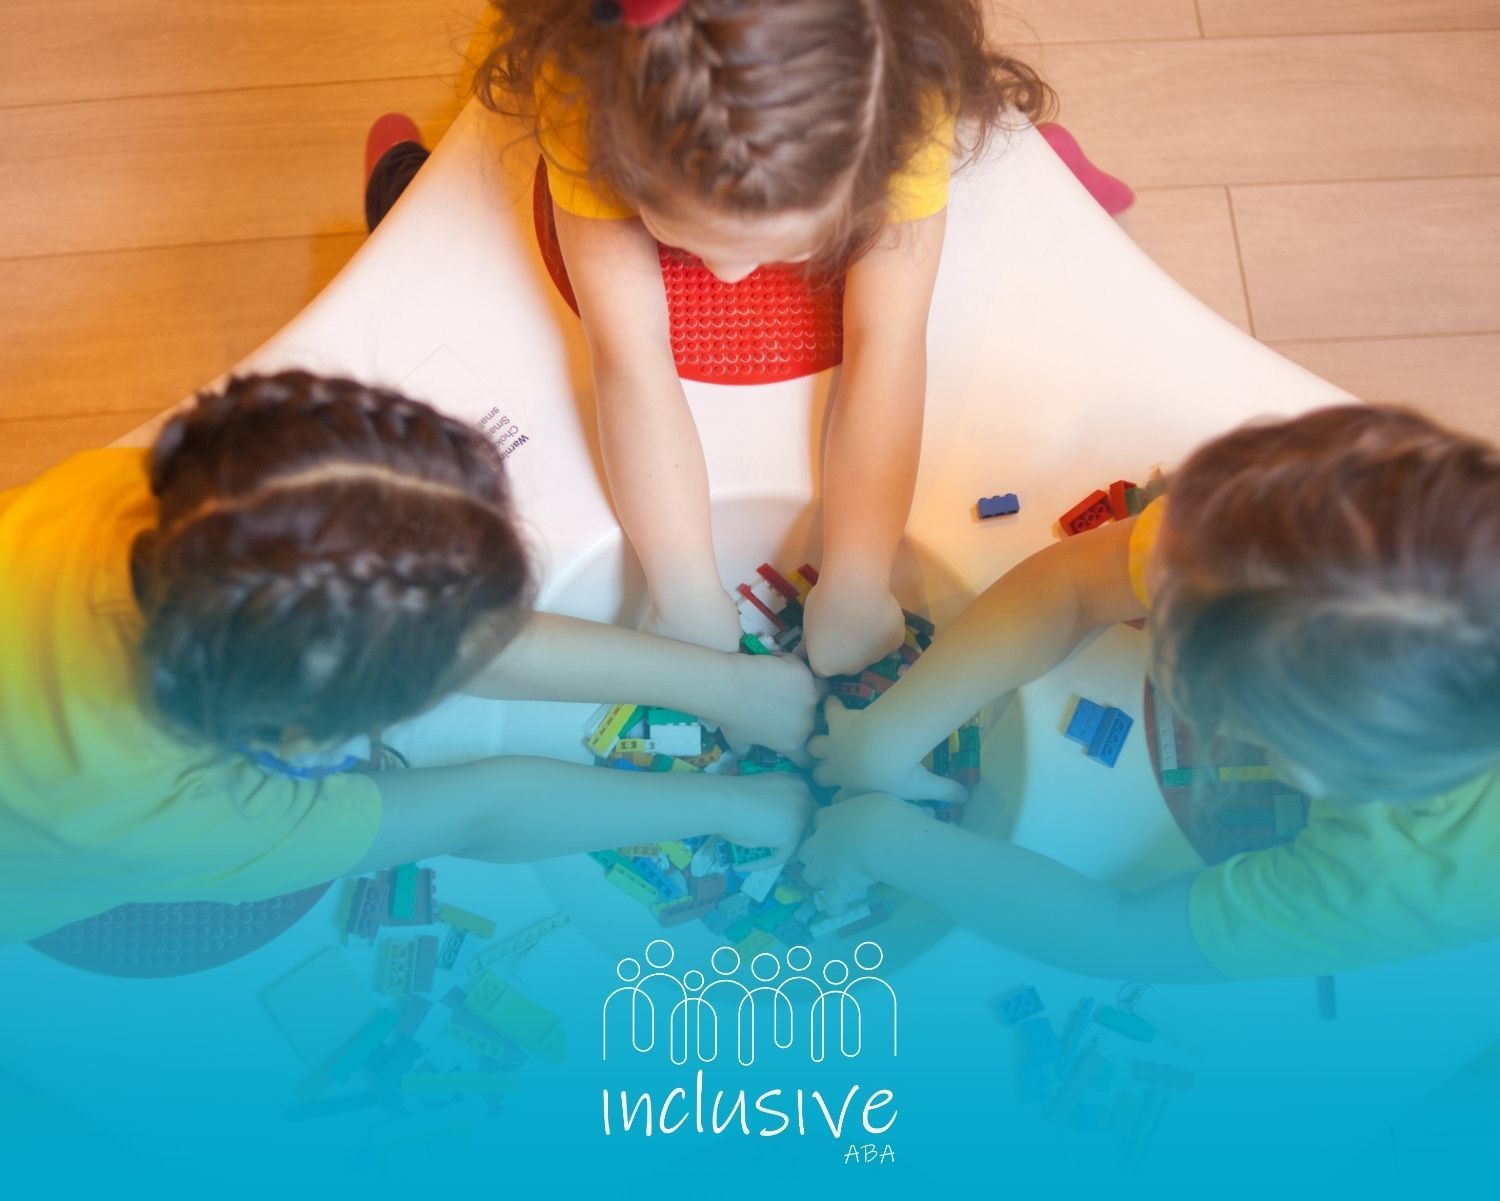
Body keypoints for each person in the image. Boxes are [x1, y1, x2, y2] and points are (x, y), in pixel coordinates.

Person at [0, 371, 816, 944]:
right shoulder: (175, 814)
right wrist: (730, 808)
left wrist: (730, 684)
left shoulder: (137, 497)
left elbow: (412, 614)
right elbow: (478, 812)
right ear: (304, 740)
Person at [799, 405, 1500, 980]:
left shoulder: (1410, 874)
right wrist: (885, 736)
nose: (1131, 583)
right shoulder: (1298, 536)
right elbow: (1074, 585)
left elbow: (1127, 938)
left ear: (1305, 769)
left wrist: (884, 842)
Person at [470, 0, 1051, 675]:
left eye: (789, 247)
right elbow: (626, 352)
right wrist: (682, 593)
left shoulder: (905, 102)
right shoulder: (586, 91)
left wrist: (861, 580)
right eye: (684, 237)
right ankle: (399, 171)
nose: (729, 276)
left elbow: (890, 336)